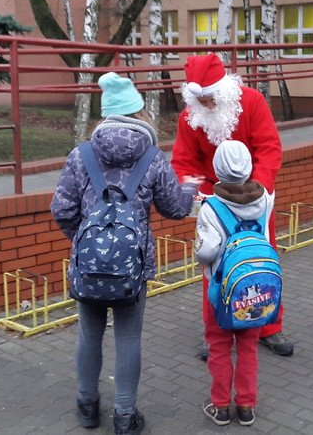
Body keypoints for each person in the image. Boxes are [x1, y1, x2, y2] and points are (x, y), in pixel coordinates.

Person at [51, 72, 203, 434]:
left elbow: (61, 208)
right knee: (129, 338)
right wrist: (188, 189)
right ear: (138, 113)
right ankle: (124, 417)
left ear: (106, 115)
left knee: (89, 334)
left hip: (87, 267)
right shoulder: (152, 157)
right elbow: (175, 208)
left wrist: (84, 243)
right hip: (132, 268)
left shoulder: (81, 153)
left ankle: (87, 408)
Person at [170, 53, 293, 357]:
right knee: (213, 267)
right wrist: (192, 193)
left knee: (262, 258)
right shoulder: (189, 118)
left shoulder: (251, 102)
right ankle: (216, 330)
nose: (208, 105)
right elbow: (183, 161)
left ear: (223, 89)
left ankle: (268, 327)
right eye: (201, 100)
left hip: (254, 196)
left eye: (211, 98)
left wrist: (259, 188)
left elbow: (269, 147)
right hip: (215, 201)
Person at [194, 140, 274, 427]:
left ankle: (220, 405)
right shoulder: (264, 199)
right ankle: (246, 405)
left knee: (218, 346)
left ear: (217, 169)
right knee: (248, 348)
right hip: (256, 290)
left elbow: (207, 252)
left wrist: (198, 245)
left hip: (219, 291)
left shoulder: (211, 207)